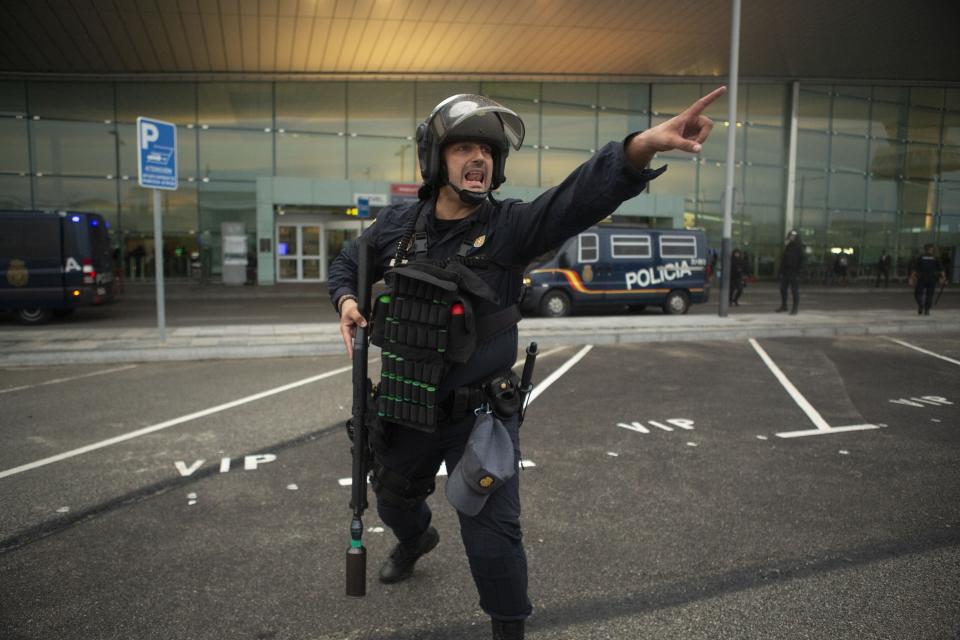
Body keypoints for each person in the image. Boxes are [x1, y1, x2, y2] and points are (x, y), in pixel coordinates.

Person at [328, 88, 724, 639]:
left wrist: (638, 149)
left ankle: (509, 628)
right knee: (392, 501)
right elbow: (348, 261)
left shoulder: (512, 226)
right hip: (406, 402)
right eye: (464, 147)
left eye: (488, 152)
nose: (479, 159)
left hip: (480, 414)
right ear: (434, 158)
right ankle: (415, 539)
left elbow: (575, 200)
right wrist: (347, 300)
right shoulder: (400, 225)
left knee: (493, 538)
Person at [909, 243, 945, 315]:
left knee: (918, 294)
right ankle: (927, 310)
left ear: (925, 249)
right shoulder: (936, 258)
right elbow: (941, 270)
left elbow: (915, 269)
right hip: (932, 279)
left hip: (922, 278)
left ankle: (921, 305)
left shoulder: (920, 257)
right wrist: (943, 278)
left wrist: (911, 278)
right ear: (931, 249)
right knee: (930, 295)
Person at [776, 229, 803, 314]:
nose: (791, 237)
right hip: (786, 271)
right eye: (790, 236)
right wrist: (780, 271)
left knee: (794, 290)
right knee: (783, 289)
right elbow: (783, 260)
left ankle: (795, 308)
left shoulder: (800, 247)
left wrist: (799, 271)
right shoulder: (788, 246)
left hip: (794, 272)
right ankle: (784, 306)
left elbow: (802, 260)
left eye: (793, 236)